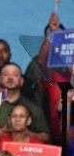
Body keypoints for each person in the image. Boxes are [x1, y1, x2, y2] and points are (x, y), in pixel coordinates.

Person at [0, 63, 50, 148]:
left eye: (15, 75)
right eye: (5, 74)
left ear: (22, 81)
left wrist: (27, 133)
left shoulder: (34, 108)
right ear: (0, 80)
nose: (10, 78)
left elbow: (46, 137)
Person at [25, 12, 67, 144]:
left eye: (59, 37)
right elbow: (41, 61)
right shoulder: (48, 71)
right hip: (51, 129)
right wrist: (51, 34)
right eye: (51, 38)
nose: (56, 41)